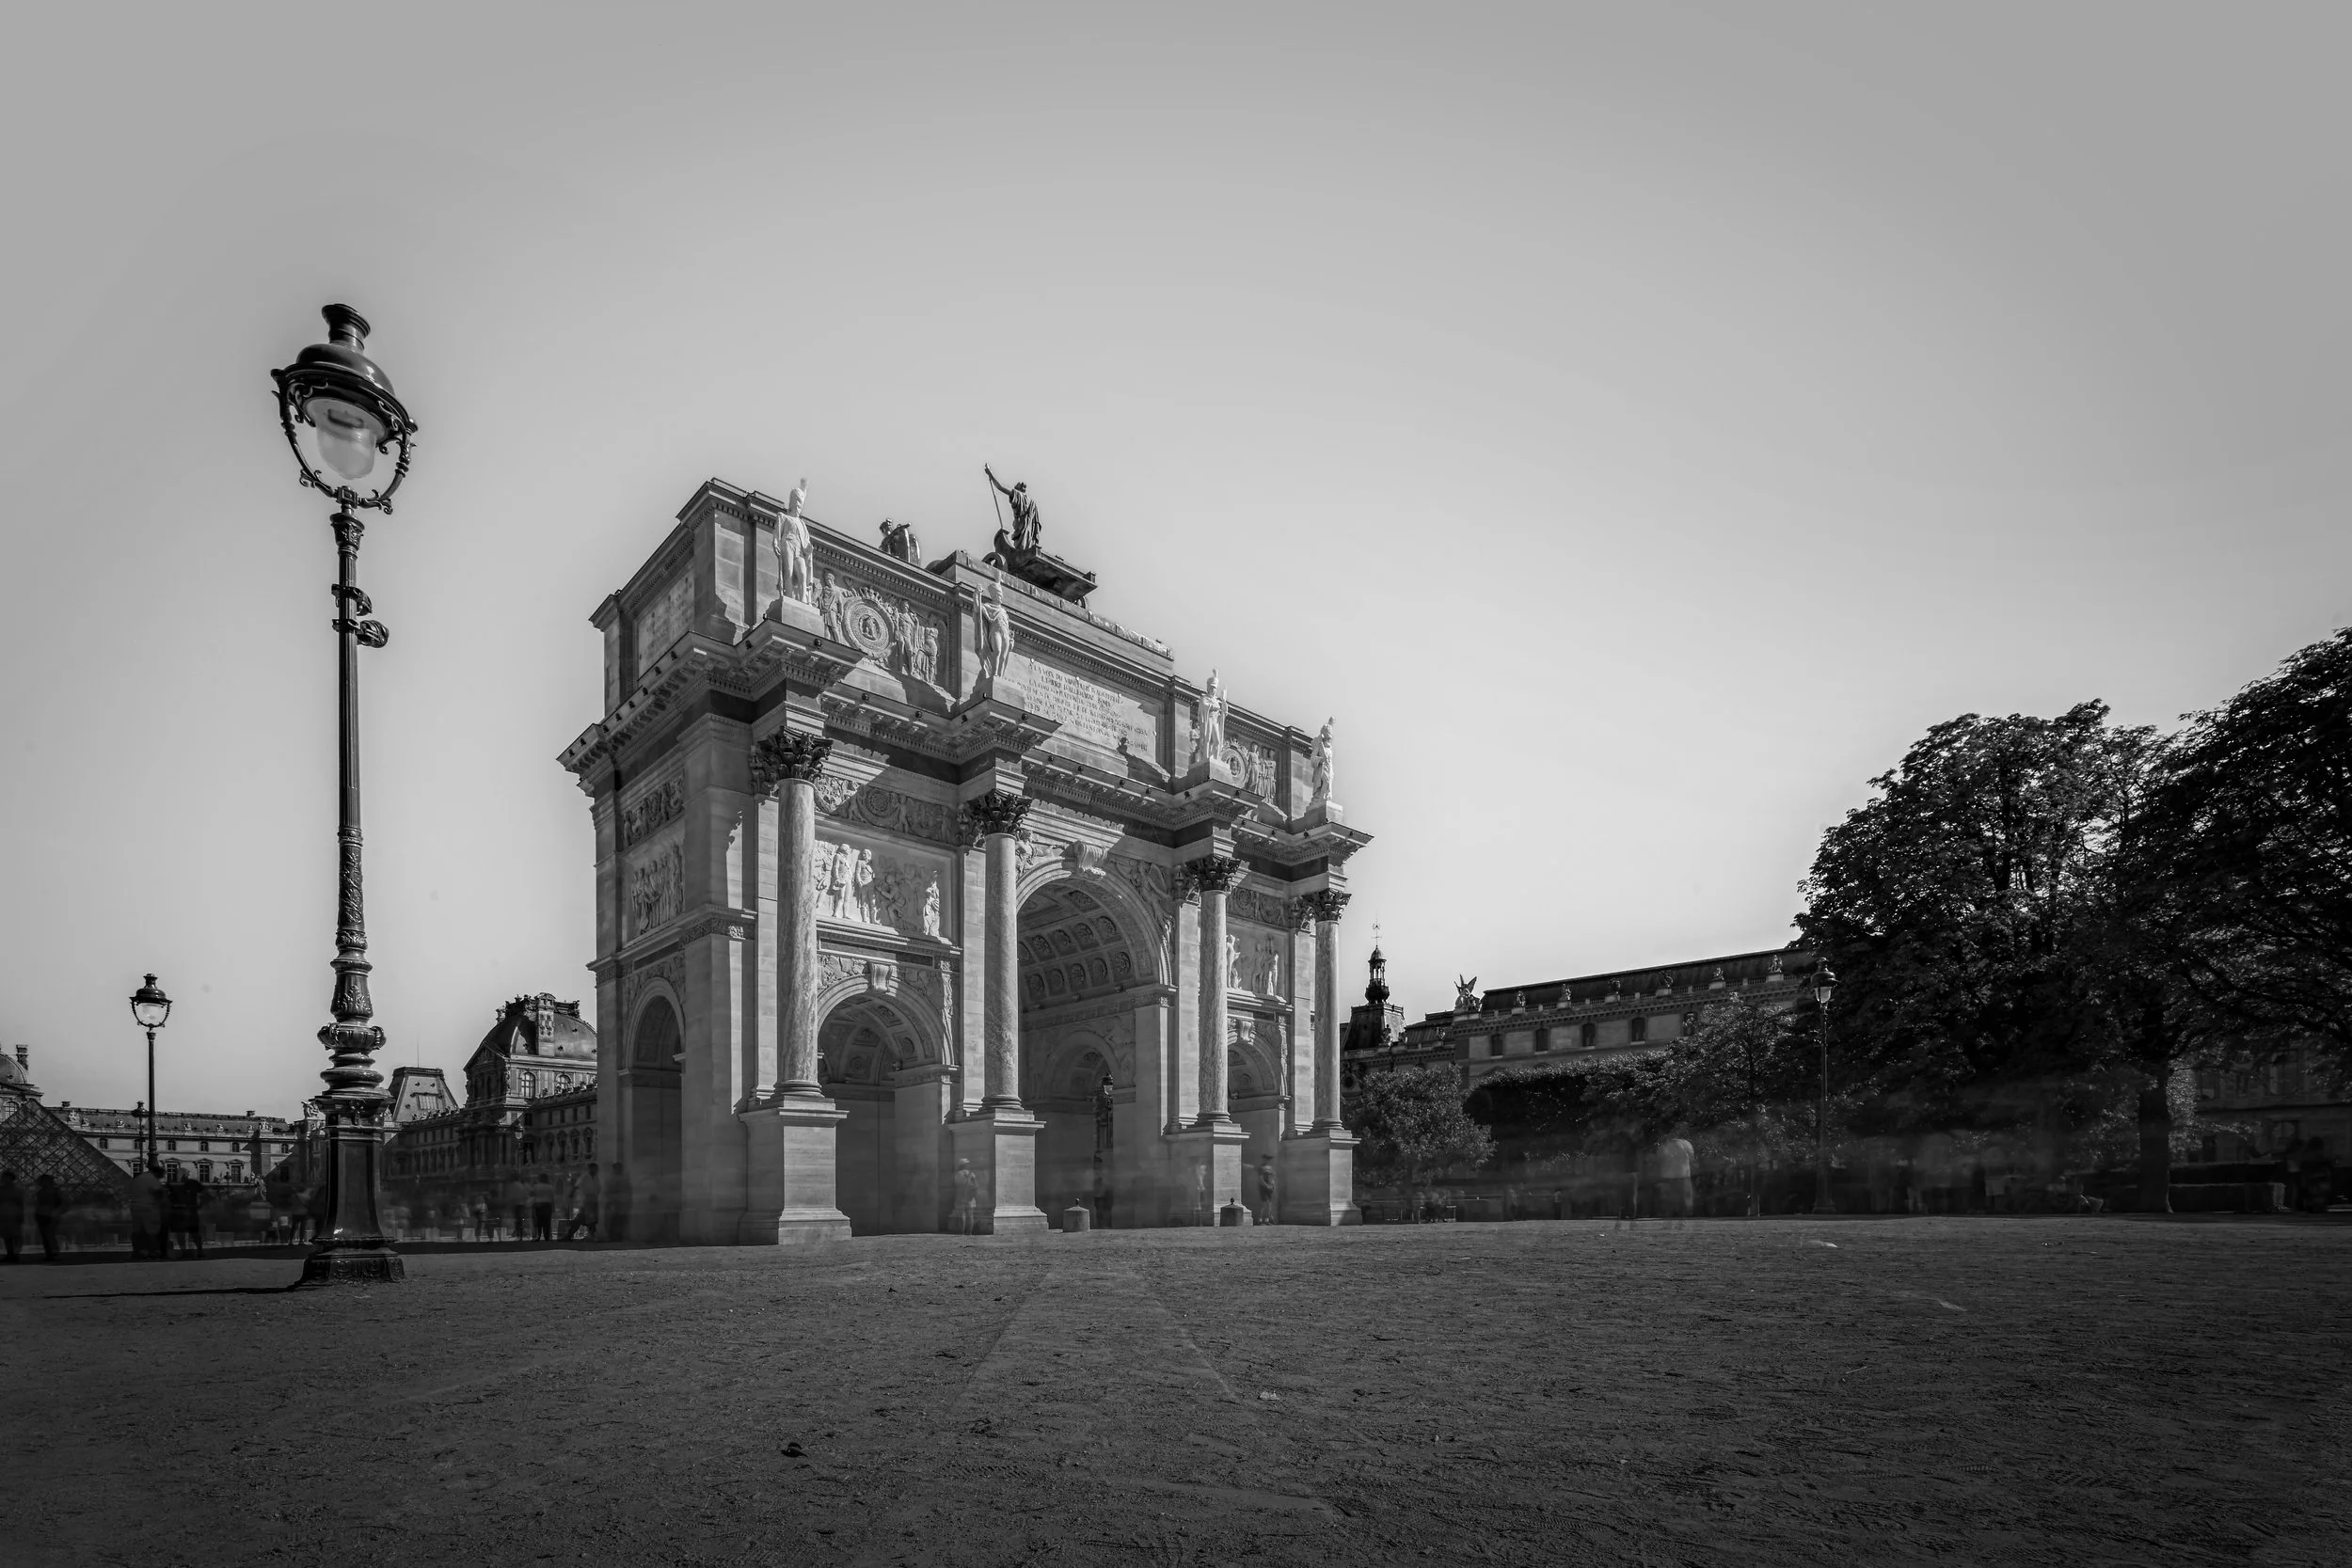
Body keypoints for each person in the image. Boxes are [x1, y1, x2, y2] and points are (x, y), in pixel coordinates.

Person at [127, 1162, 166, 1259]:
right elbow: (159, 1194)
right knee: (152, 1231)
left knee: (136, 1231)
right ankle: (153, 1252)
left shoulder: (138, 1178)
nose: (161, 1178)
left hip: (135, 1207)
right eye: (161, 1176)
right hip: (148, 1208)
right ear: (157, 1173)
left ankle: (136, 1251)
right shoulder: (152, 1179)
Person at [169, 1171, 207, 1259]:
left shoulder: (178, 1186)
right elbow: (205, 1193)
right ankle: (198, 1251)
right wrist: (200, 1205)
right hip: (188, 1212)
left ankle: (186, 1252)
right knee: (193, 1233)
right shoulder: (191, 1185)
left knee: (184, 1233)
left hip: (182, 1213)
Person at [34, 1173, 64, 1262]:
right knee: (45, 1236)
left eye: (45, 1180)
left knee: (49, 1234)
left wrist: (57, 1211)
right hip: (42, 1214)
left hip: (52, 1214)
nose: (43, 1182)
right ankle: (50, 1253)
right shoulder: (40, 1191)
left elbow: (61, 1202)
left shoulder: (55, 1191)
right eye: (42, 1181)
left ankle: (54, 1251)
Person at [951, 1158, 980, 1235]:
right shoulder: (971, 1173)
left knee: (962, 1215)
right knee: (970, 1215)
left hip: (960, 1196)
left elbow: (955, 1185)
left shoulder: (957, 1174)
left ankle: (962, 1232)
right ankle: (969, 1232)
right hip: (970, 1197)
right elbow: (976, 1185)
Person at [0, 1169, 22, 1262]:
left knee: (15, 1236)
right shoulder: (3, 1189)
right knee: (7, 1236)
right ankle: (10, 1254)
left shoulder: (17, 1189)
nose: (2, 1179)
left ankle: (15, 1254)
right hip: (5, 1214)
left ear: (9, 1178)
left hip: (14, 1214)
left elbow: (21, 1203)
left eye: (3, 1177)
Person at [531, 1170, 556, 1242]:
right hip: (547, 1205)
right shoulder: (550, 1187)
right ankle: (547, 1237)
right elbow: (552, 1198)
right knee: (547, 1222)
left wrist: (532, 1205)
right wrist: (553, 1207)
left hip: (538, 1205)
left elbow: (532, 1196)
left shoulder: (535, 1186)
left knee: (538, 1222)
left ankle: (537, 1237)